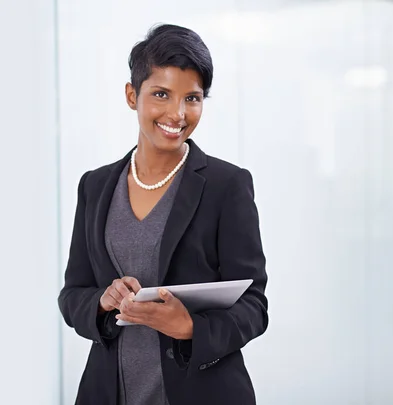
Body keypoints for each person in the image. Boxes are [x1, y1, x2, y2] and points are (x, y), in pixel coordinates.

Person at [58, 24, 268, 405]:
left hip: (202, 393)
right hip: (110, 392)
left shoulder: (227, 185)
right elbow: (72, 295)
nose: (178, 113)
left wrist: (191, 328)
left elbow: (253, 305)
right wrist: (102, 302)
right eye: (161, 94)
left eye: (192, 98)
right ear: (131, 95)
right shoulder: (95, 185)